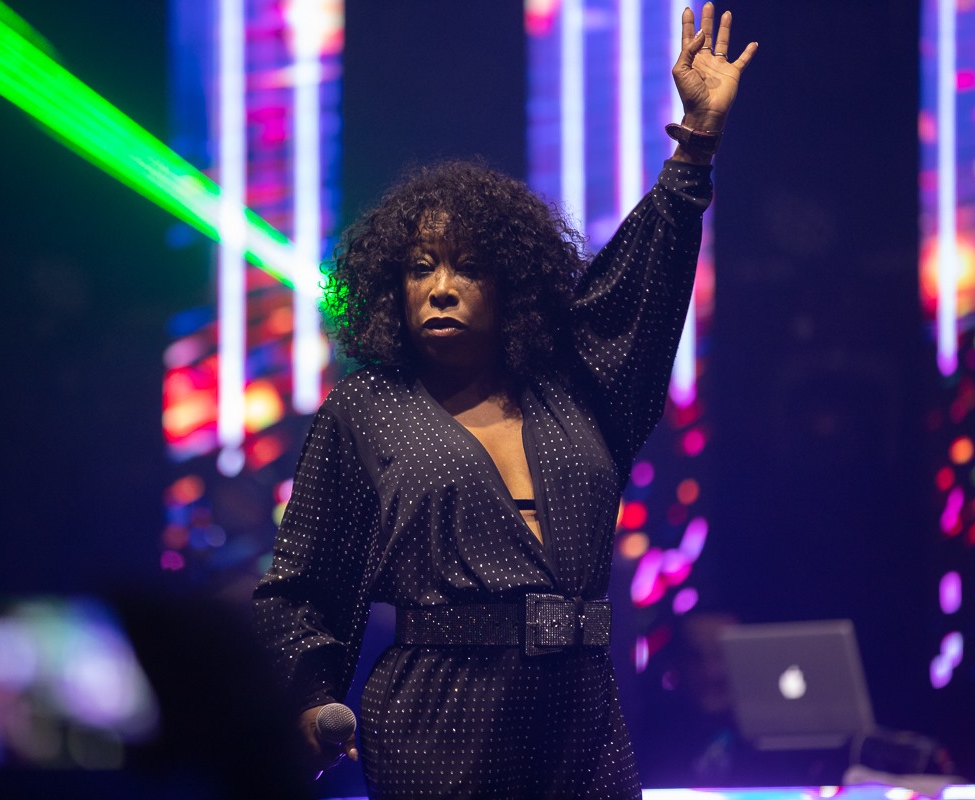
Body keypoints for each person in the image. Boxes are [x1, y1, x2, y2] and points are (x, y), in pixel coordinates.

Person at [254, 4, 756, 797]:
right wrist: (308, 702)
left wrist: (695, 144)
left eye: (468, 267)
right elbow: (300, 583)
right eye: (420, 268)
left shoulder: (581, 393)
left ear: (512, 284)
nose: (441, 288)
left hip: (583, 724)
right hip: (437, 722)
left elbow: (641, 286)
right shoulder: (368, 409)